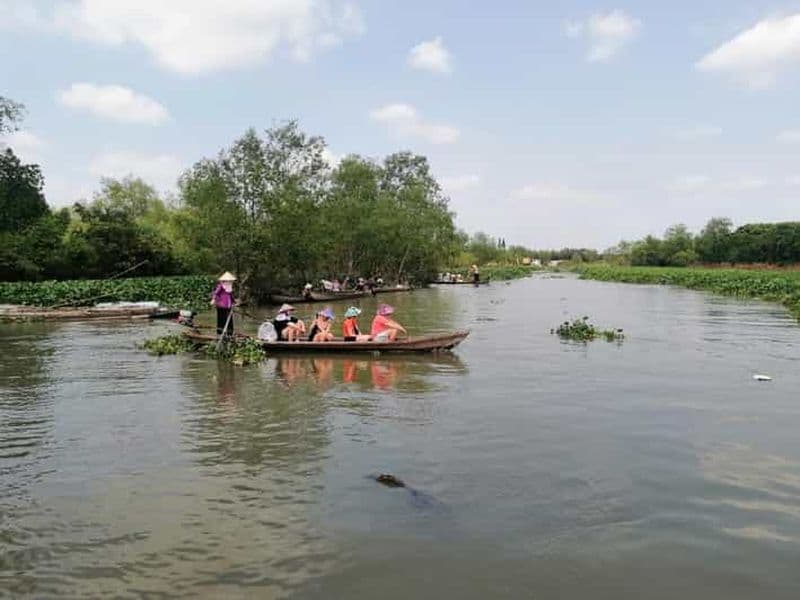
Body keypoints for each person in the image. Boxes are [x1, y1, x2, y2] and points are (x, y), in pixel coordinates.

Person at [210, 271, 237, 335]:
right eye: (228, 280)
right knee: (221, 319)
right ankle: (220, 332)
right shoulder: (221, 286)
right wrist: (213, 299)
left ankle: (229, 332)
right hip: (221, 305)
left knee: (229, 319)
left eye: (230, 281)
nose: (230, 282)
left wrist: (234, 302)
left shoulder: (230, 287)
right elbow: (216, 293)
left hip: (228, 306)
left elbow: (231, 296)